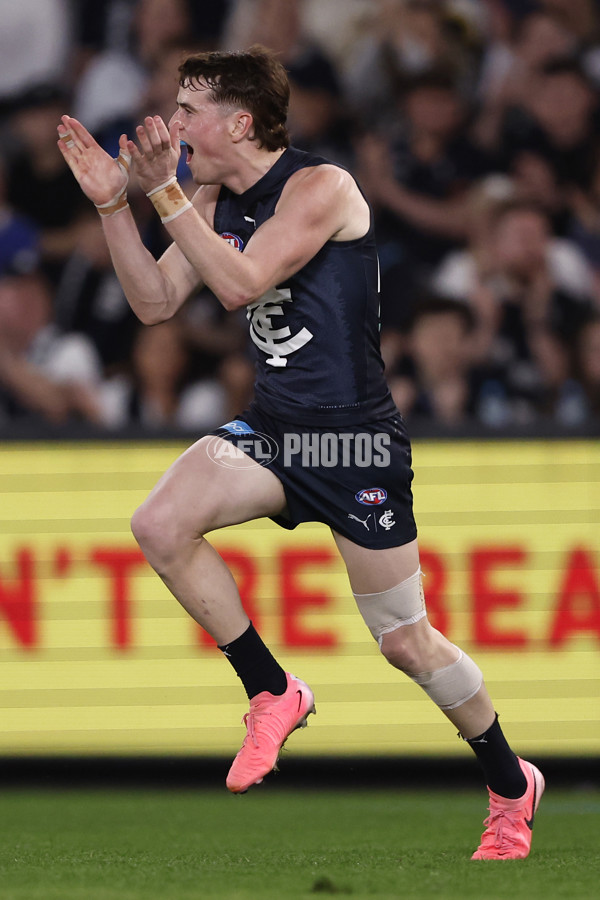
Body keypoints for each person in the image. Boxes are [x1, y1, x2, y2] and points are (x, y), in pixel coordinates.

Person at [57, 45, 543, 859]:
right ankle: (271, 690)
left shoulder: (324, 187)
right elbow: (154, 304)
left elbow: (242, 284)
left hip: (353, 443)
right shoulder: (206, 192)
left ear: (238, 122)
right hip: (279, 431)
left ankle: (507, 782)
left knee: (405, 643)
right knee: (160, 524)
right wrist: (115, 209)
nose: (172, 123)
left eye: (188, 109)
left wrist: (167, 194)